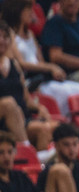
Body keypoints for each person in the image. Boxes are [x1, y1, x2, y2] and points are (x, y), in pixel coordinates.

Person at [2, 0, 79, 117]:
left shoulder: (30, 34)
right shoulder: (10, 35)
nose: (32, 13)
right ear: (19, 11)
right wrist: (51, 67)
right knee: (66, 92)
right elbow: (21, 63)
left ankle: (76, 123)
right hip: (28, 79)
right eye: (29, 10)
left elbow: (41, 61)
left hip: (41, 77)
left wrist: (49, 69)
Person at [0, 21, 57, 151]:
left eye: (5, 37)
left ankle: (40, 160)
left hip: (21, 119)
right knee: (9, 104)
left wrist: (39, 108)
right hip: (3, 116)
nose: (2, 41)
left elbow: (26, 98)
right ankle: (26, 150)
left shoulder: (14, 64)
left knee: (52, 128)